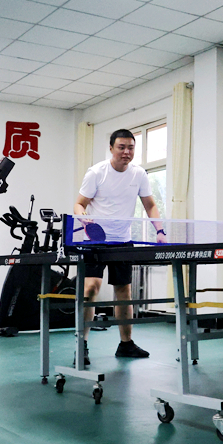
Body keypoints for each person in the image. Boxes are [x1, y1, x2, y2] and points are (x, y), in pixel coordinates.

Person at [74, 129, 167, 365]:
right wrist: (84, 218)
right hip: (95, 241)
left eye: (130, 148)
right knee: (90, 289)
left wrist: (160, 231)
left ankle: (126, 344)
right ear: (111, 148)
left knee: (124, 292)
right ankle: (81, 345)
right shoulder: (96, 172)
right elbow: (79, 204)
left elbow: (150, 205)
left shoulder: (139, 174)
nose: (126, 152)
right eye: (121, 147)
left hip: (122, 241)